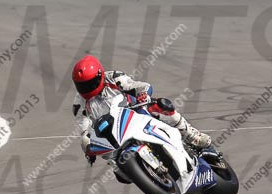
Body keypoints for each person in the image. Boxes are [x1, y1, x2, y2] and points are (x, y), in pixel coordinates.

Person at [71, 55, 211, 178]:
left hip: (133, 113)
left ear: (100, 75)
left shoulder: (113, 78)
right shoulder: (79, 104)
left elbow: (139, 86)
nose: (87, 88)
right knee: (120, 175)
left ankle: (192, 136)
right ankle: (138, 171)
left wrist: (142, 94)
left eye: (90, 83)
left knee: (162, 105)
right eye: (82, 86)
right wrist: (87, 146)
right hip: (111, 134)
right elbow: (84, 129)